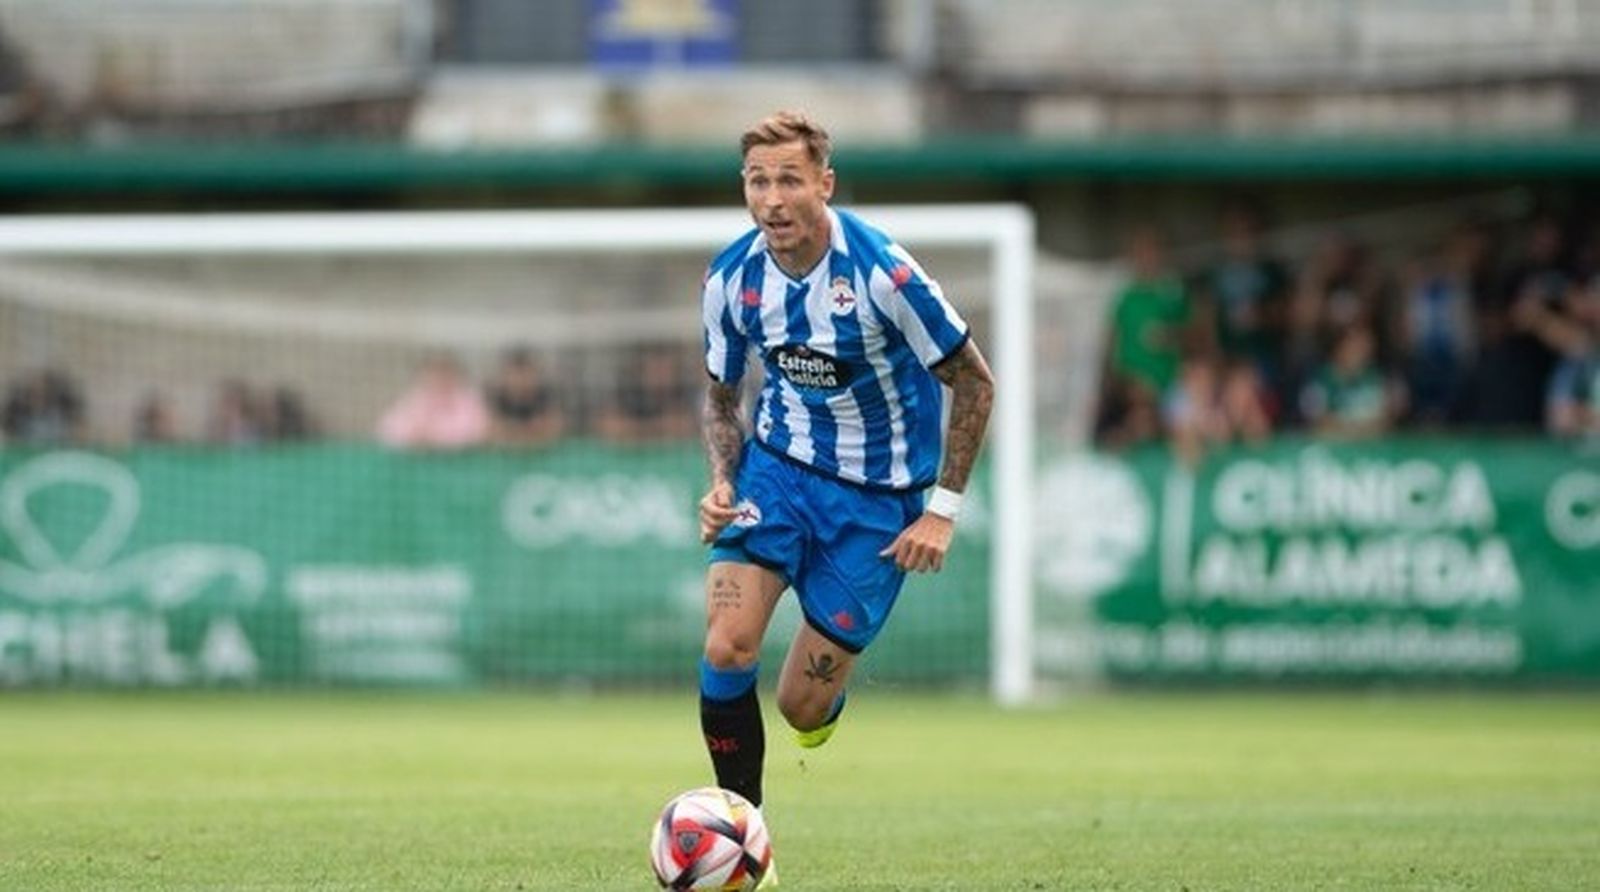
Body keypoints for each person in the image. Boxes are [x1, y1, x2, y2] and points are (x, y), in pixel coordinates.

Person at [694, 110, 995, 845]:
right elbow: (721, 399)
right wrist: (724, 483)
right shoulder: (732, 278)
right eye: (757, 182)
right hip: (779, 474)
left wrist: (942, 511)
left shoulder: (884, 274)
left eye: (789, 179)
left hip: (877, 506)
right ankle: (746, 834)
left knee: (800, 706)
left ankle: (820, 713)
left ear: (824, 184)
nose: (772, 199)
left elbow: (975, 383)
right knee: (727, 645)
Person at [377, 353, 490, 449]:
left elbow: (475, 432)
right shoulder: (416, 399)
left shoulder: (468, 400)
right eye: (435, 374)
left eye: (445, 374)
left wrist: (434, 439)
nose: (440, 380)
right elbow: (389, 430)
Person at [592, 343, 697, 443]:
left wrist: (635, 431)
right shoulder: (629, 392)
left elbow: (686, 426)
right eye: (655, 368)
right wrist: (657, 429)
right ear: (643, 368)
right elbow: (610, 426)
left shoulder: (683, 391)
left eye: (665, 368)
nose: (660, 375)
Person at [484, 346, 566, 446]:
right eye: (515, 375)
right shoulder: (497, 399)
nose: (521, 381)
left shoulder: (545, 396)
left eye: (525, 374)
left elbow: (555, 428)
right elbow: (492, 432)